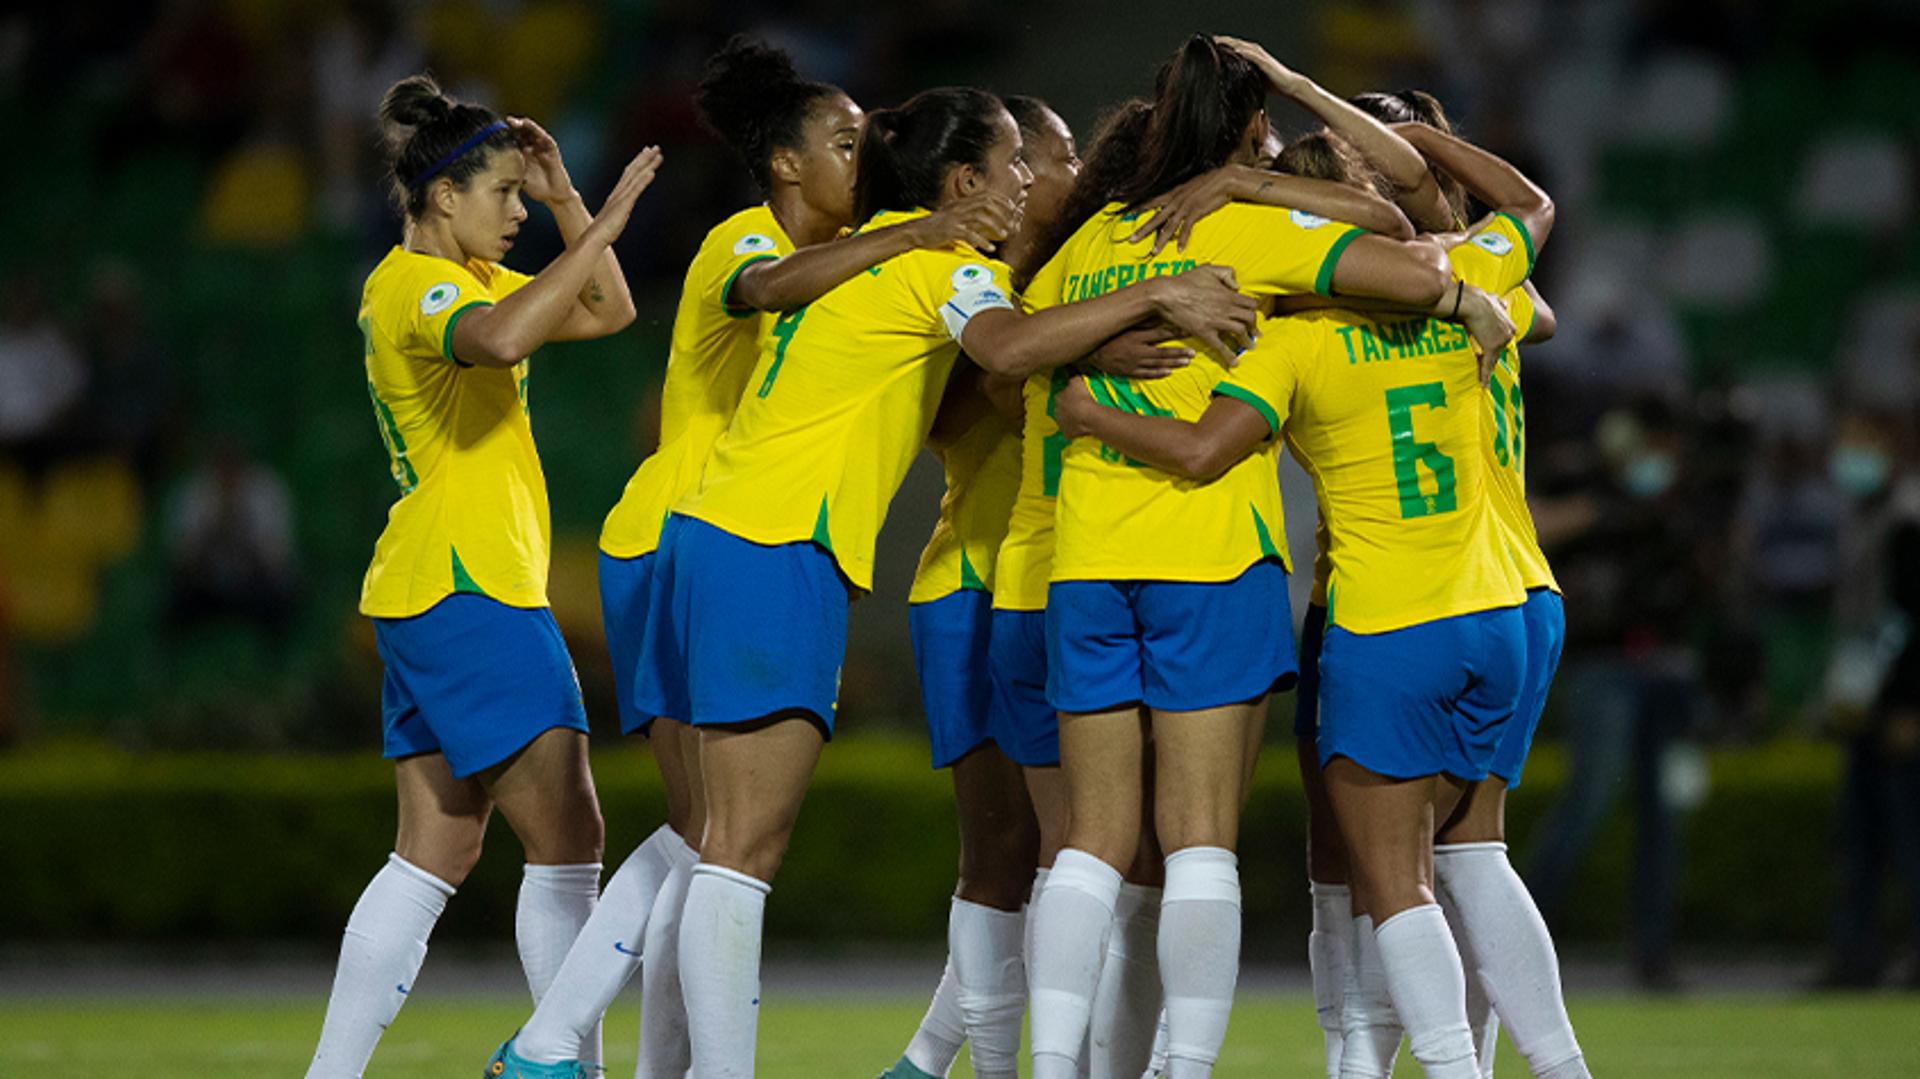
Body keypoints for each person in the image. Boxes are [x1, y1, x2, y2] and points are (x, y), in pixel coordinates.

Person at [631, 85, 1261, 1079]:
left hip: (726, 529)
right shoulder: (941, 265)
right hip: (777, 537)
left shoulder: (882, 248)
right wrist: (1149, 294)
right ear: (963, 180)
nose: (1022, 178)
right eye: (1012, 159)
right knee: (742, 845)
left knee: (722, 838)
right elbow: (1005, 349)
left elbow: (992, 350)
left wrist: (1092, 330)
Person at [495, 37, 1016, 1077]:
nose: (859, 156)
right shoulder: (747, 239)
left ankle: (589, 1049)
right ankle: (559, 1040)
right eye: (840, 141)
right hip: (696, 531)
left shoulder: (862, 266)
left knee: (702, 832)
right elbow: (769, 287)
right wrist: (928, 229)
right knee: (725, 837)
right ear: (784, 165)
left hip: (699, 538)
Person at [1020, 35, 1514, 1079]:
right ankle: (1184, 1067)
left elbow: (1021, 340)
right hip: (1207, 553)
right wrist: (1252, 189)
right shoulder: (1252, 226)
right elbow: (1412, 248)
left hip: (1086, 558)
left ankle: (1053, 1061)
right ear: (1249, 137)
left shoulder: (1093, 236)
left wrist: (1101, 349)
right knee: (1199, 838)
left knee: (1092, 842)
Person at [305, 73, 661, 1079]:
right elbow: (504, 341)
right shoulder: (420, 286)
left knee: (436, 851)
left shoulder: (468, 281)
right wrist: (608, 220)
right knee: (571, 837)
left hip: (430, 589)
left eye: (519, 194)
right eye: (502, 193)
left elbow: (609, 308)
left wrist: (564, 199)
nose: (515, 212)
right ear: (441, 196)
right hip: (472, 586)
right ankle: (563, 1063)